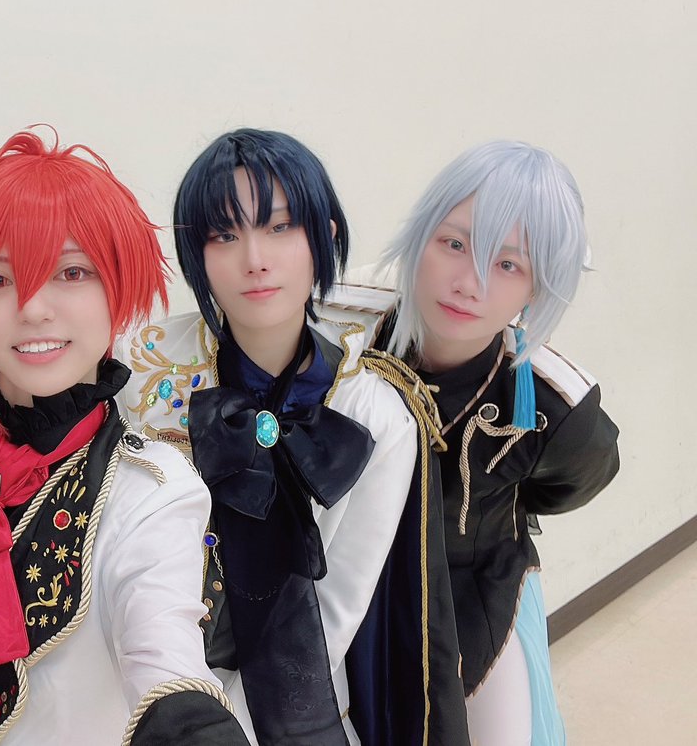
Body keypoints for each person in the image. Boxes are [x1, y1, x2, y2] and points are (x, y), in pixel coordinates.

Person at [0, 129, 248, 746]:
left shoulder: (151, 491)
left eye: (71, 272)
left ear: (117, 288)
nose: (33, 308)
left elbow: (163, 650)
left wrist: (191, 722)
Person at [116, 128, 469, 745]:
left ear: (324, 238)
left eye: (280, 227)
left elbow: (336, 610)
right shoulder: (141, 369)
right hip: (147, 694)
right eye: (224, 235)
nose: (255, 258)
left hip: (290, 701)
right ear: (196, 253)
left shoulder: (375, 412)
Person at [329, 139, 619, 744]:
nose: (468, 283)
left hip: (477, 596)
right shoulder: (339, 336)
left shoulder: (555, 406)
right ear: (421, 237)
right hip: (348, 584)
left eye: (508, 265)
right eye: (455, 244)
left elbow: (579, 478)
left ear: (536, 289)